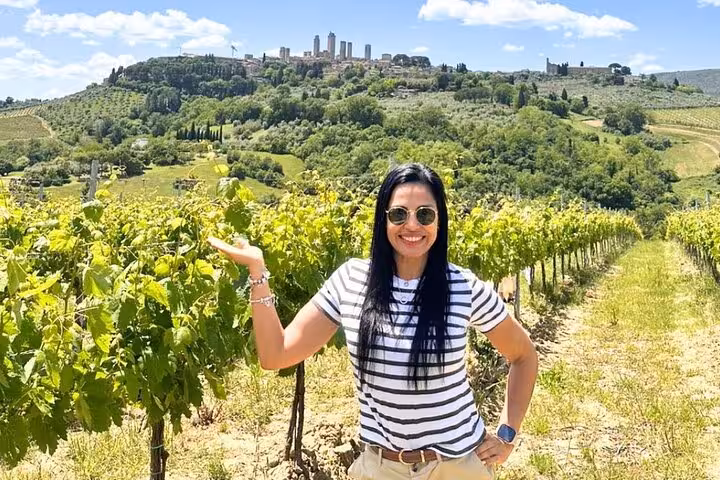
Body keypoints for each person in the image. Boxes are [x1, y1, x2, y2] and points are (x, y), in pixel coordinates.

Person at [208, 163, 538, 480]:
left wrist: (507, 434)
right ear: (383, 220)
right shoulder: (352, 281)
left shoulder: (462, 287)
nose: (412, 225)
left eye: (425, 214)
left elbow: (523, 355)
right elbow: (276, 354)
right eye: (399, 214)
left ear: (440, 221)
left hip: (457, 466)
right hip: (381, 468)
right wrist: (257, 273)